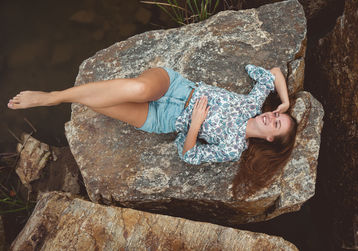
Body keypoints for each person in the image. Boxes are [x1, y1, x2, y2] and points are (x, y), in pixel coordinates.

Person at [7, 65, 297, 198]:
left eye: (276, 124)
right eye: (277, 116)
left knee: (102, 106)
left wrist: (195, 125)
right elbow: (273, 72)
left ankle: (65, 96)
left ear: (270, 138)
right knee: (138, 88)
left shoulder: (234, 147)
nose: (272, 116)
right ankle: (53, 97)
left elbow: (189, 155)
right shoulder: (251, 104)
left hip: (165, 118)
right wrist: (284, 101)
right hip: (174, 86)